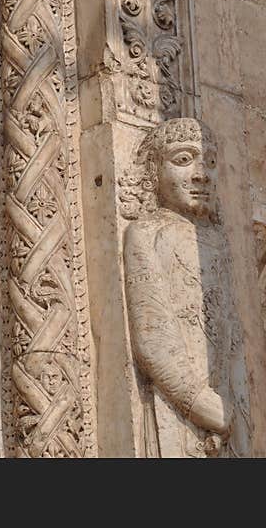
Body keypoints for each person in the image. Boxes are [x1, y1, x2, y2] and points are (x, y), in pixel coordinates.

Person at [122, 118, 251, 457]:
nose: (201, 174)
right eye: (183, 160)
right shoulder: (146, 233)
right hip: (180, 407)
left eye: (209, 162)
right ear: (153, 171)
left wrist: (235, 406)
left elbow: (233, 336)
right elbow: (153, 333)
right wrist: (200, 402)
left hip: (228, 411)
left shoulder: (219, 241)